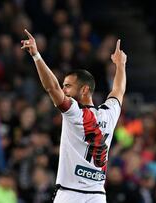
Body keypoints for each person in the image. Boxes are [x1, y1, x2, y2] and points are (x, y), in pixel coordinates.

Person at [21, 29, 127, 203]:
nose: (64, 90)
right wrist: (120, 65)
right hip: (97, 196)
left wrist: (36, 56)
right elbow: (118, 90)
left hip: (70, 195)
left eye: (68, 86)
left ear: (84, 89)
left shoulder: (75, 113)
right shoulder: (109, 114)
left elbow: (52, 88)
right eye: (64, 86)